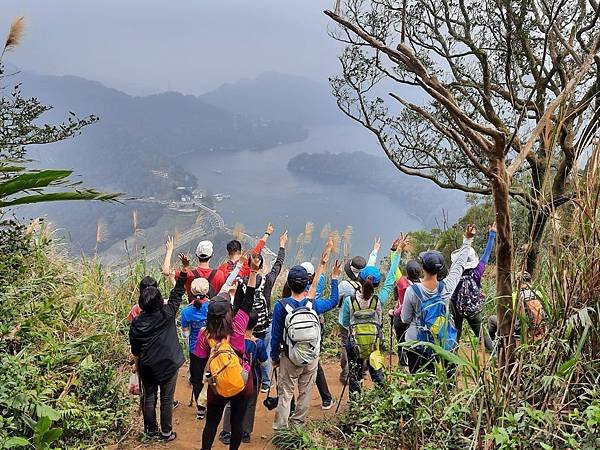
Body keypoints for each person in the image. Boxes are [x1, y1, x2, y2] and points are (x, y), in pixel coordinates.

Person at [193, 253, 262, 450]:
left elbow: (198, 366)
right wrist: (253, 271)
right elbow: (248, 300)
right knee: (236, 423)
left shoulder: (204, 334)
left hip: (217, 385)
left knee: (211, 424)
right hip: (242, 381)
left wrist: (202, 390)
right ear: (228, 312)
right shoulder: (239, 325)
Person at [270, 242, 341, 429]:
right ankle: (298, 426)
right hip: (311, 357)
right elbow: (334, 301)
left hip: (289, 357)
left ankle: (281, 429)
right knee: (305, 392)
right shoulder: (313, 305)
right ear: (307, 284)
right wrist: (333, 277)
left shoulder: (281, 306)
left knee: (285, 392)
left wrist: (274, 358)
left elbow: (276, 335)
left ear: (289, 284)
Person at [401, 225, 476, 374]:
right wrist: (467, 239)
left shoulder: (412, 290)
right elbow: (459, 265)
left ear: (422, 267)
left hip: (417, 344)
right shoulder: (447, 287)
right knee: (441, 382)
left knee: (419, 383)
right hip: (441, 342)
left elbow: (405, 319)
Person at [129, 254, 188, 442]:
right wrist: (184, 269)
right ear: (159, 300)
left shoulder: (136, 323)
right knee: (167, 399)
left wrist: (137, 365)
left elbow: (136, 350)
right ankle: (166, 433)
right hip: (169, 364)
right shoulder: (167, 313)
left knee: (149, 397)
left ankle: (150, 431)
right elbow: (177, 293)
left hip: (148, 366)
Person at [341, 236, 407, 394]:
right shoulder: (379, 300)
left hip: (354, 343)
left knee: (355, 375)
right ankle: (383, 399)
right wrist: (398, 251)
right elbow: (391, 277)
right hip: (374, 343)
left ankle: (355, 404)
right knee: (377, 372)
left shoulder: (349, 301)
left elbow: (344, 323)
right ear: (377, 284)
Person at [219, 310, 269, 445]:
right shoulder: (258, 343)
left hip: (234, 376)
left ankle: (226, 431)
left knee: (230, 403)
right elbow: (264, 362)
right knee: (250, 404)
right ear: (255, 324)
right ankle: (245, 432)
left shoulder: (233, 341)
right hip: (252, 378)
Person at [336, 238, 380, 383]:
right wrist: (375, 250)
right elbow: (371, 266)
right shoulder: (370, 286)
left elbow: (337, 300)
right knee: (364, 342)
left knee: (346, 346)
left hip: (346, 321)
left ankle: (346, 373)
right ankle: (364, 371)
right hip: (366, 322)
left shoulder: (344, 285)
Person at [450, 225, 496, 351]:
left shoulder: (455, 274)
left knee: (455, 333)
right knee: (482, 333)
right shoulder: (477, 272)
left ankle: (452, 361)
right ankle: (495, 356)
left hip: (456, 307)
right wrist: (492, 235)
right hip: (473, 309)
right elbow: (486, 254)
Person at [389, 260, 421, 365]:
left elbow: (394, 269)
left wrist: (394, 251)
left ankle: (403, 363)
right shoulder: (423, 285)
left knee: (401, 341)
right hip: (416, 318)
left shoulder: (402, 283)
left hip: (401, 316)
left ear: (407, 272)